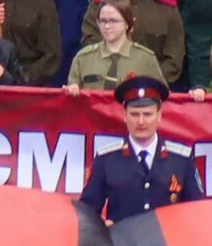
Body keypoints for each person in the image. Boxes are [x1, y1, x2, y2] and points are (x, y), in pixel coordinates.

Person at [76, 77, 198, 222]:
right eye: (134, 114)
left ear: (159, 116)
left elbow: (196, 211)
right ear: (124, 116)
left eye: (147, 114)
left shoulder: (181, 158)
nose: (141, 122)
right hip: (121, 243)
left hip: (166, 243)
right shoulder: (106, 159)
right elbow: (86, 213)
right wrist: (101, 228)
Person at [67, 0, 166, 93]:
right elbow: (71, 102)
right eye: (103, 21)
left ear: (127, 24)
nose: (107, 26)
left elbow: (162, 97)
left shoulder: (145, 59)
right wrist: (72, 90)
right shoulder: (83, 58)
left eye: (113, 21)